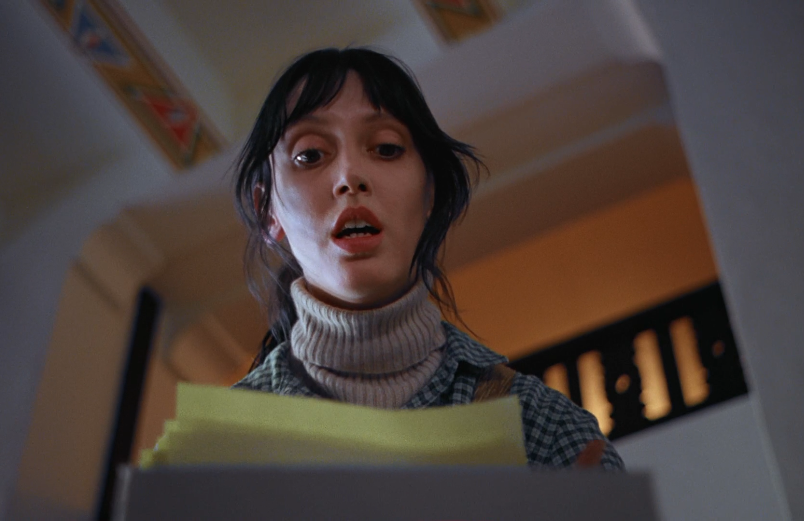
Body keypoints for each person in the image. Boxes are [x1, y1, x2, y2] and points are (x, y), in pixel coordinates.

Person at [231, 47, 623, 470]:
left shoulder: (544, 429)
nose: (349, 177)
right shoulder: (217, 452)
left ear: (430, 191)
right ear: (267, 210)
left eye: (385, 148)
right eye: (309, 155)